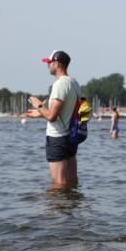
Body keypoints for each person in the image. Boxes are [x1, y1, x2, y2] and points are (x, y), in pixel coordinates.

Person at [26, 50, 81, 188]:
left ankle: (57, 209)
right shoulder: (74, 83)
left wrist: (38, 104)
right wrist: (39, 113)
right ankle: (72, 207)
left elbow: (52, 116)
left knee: (59, 184)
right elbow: (65, 111)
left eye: (49, 63)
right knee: (72, 181)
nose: (48, 66)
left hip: (58, 139)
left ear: (57, 64)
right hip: (71, 137)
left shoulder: (60, 85)